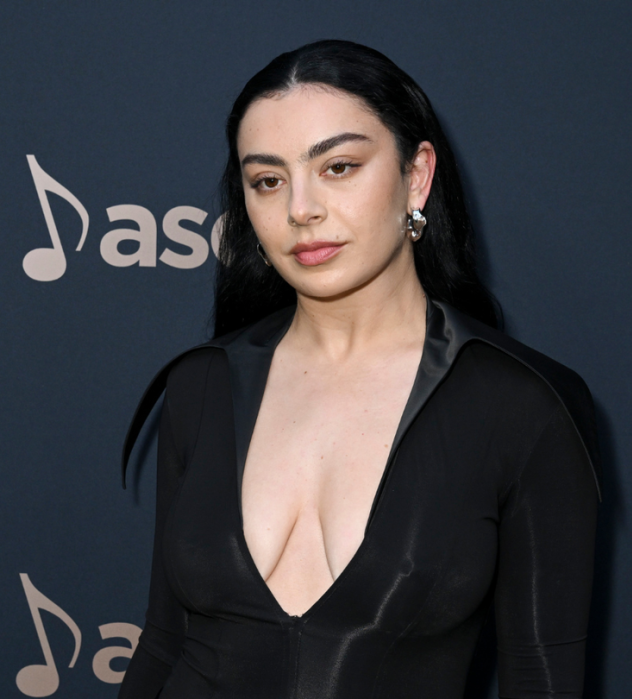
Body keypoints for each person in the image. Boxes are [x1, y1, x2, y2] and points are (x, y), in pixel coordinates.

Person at [116, 39, 601, 699]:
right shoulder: (200, 384)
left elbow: (542, 682)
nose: (300, 209)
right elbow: (160, 648)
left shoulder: (523, 404)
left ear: (417, 174)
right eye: (267, 179)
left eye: (339, 166)